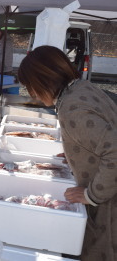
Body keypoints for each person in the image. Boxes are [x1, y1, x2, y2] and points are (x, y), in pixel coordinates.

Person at [18, 45, 117, 261]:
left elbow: (114, 152)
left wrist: (92, 195)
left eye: (31, 87)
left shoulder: (72, 107)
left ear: (44, 80)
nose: (32, 94)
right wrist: (76, 153)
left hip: (108, 203)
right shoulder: (81, 87)